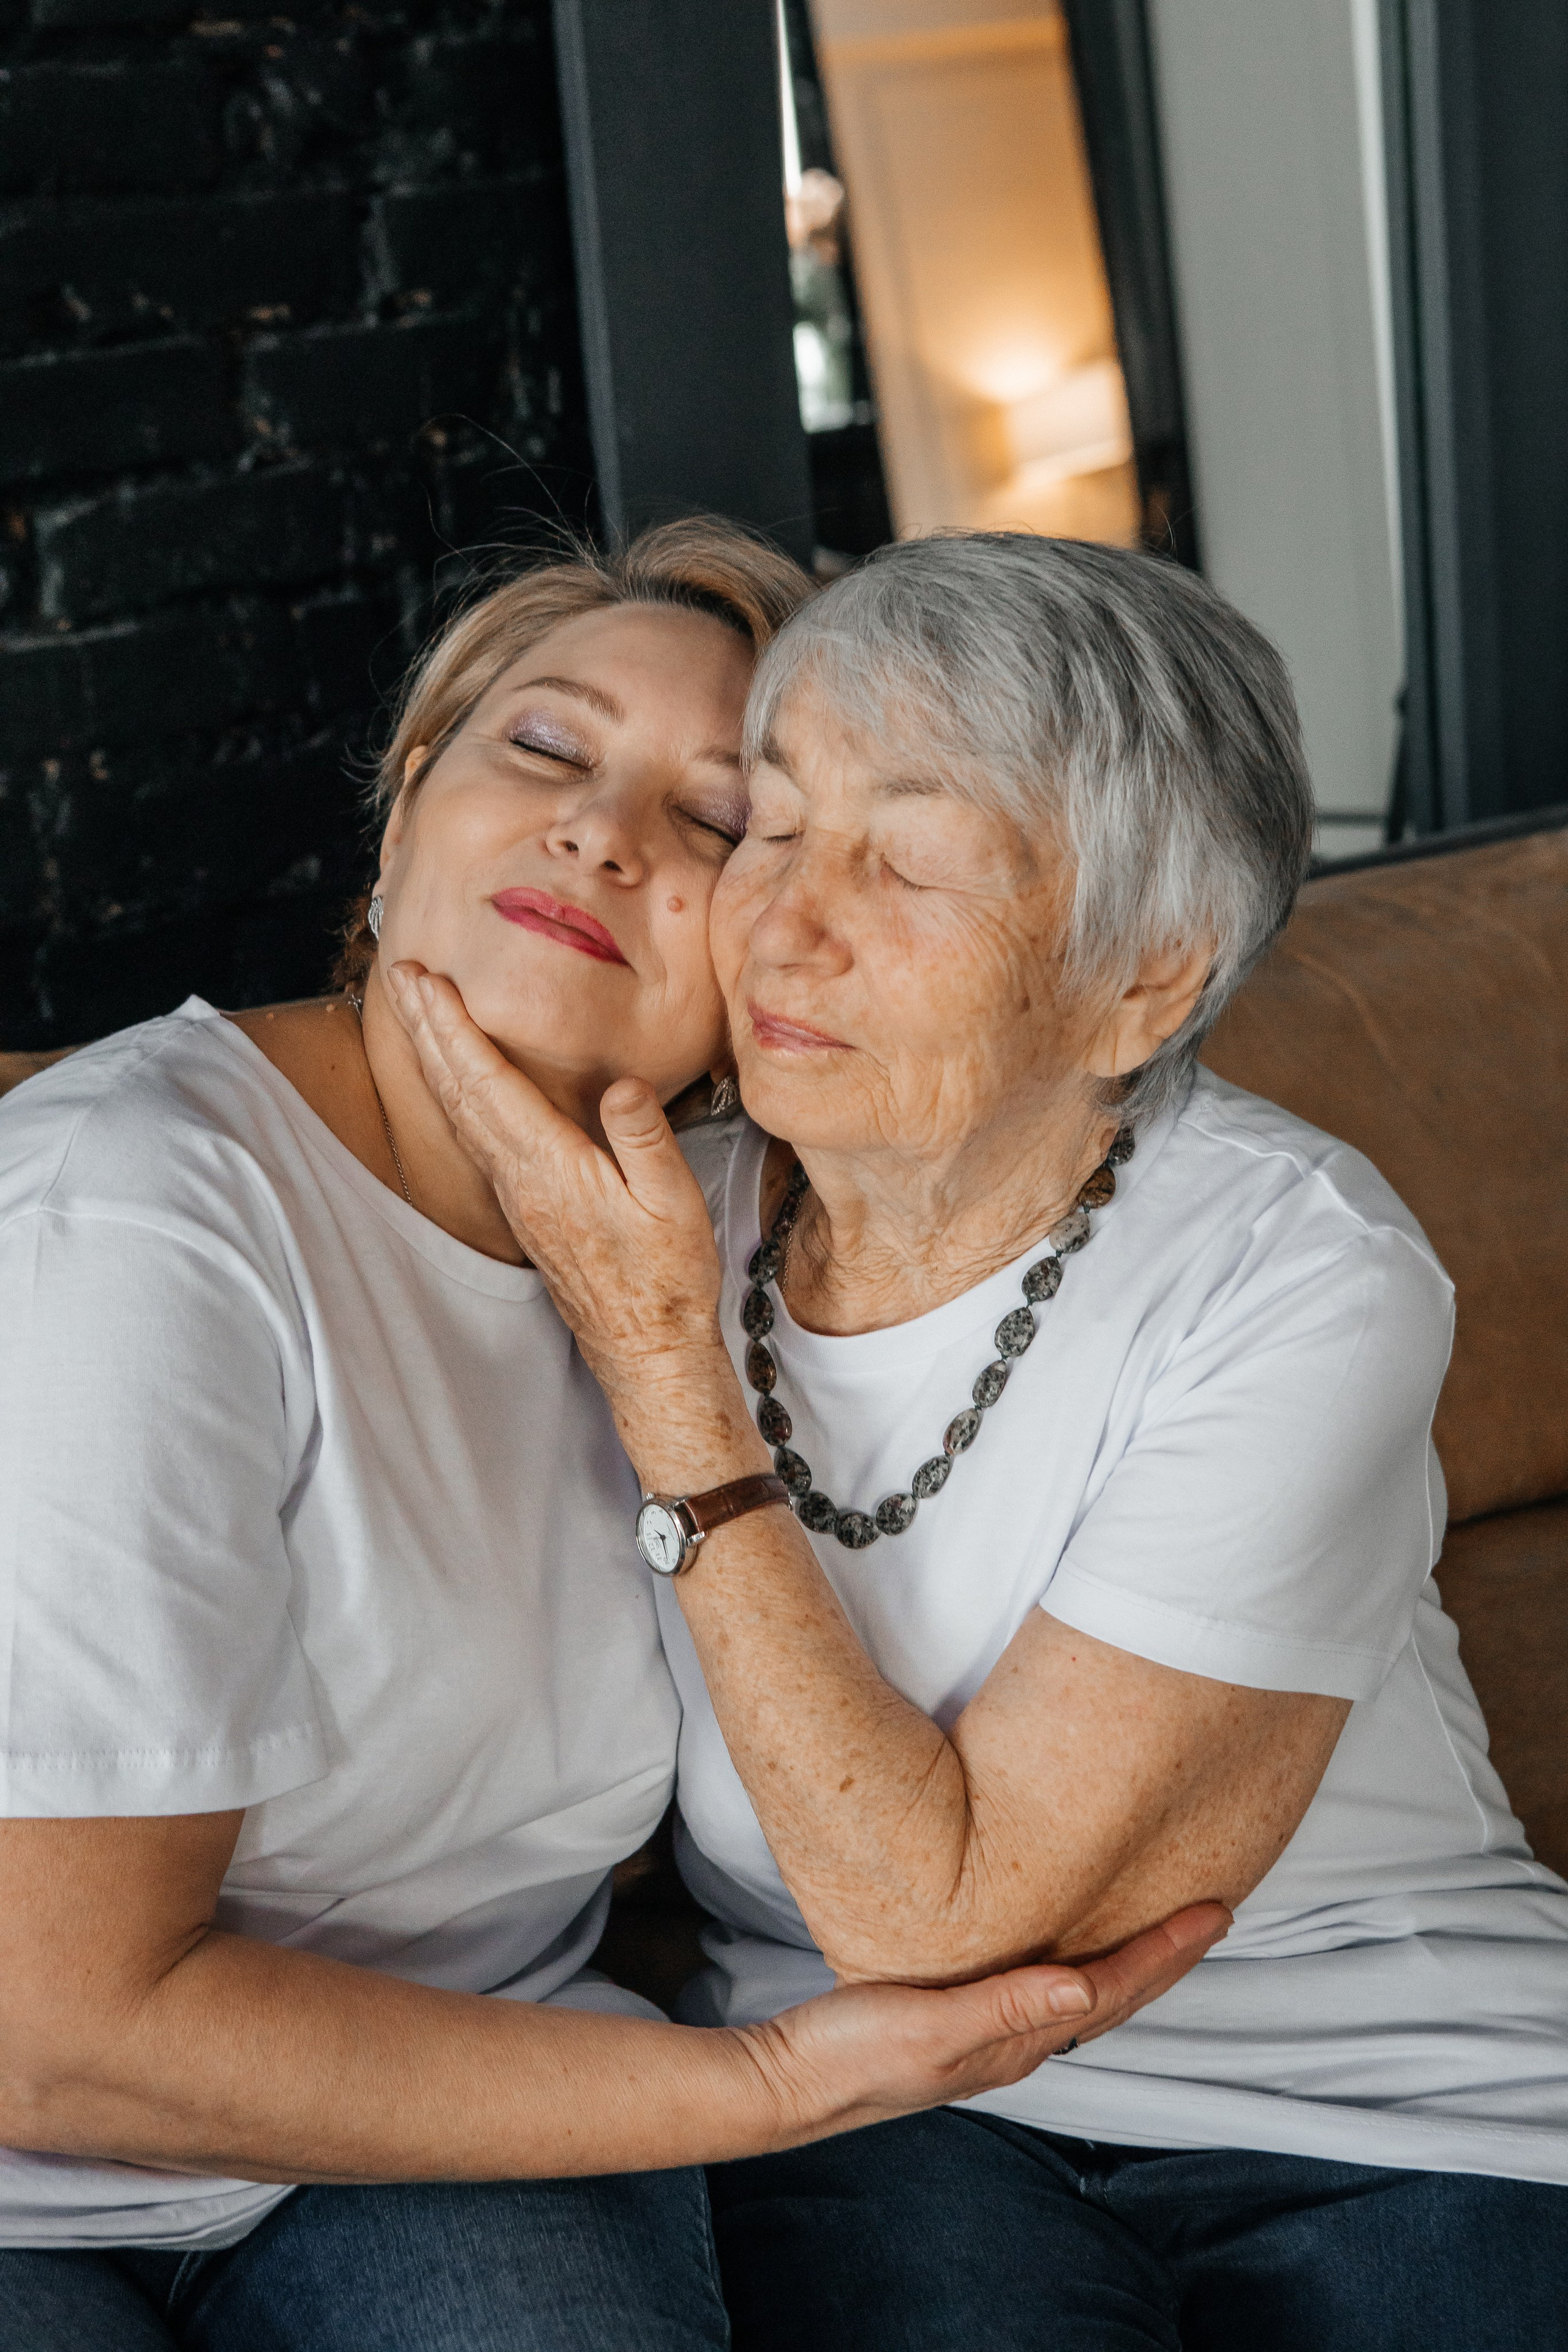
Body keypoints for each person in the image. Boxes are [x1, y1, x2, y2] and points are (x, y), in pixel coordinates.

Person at [0, 521, 1223, 2352]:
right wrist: (783, 2084)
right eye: (543, 749)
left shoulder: (743, 1242)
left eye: (721, 823)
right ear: (409, 802)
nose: (604, 834)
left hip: (466, 2110)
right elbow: (57, 2027)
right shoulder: (136, 1215)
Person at [387, 530, 1568, 2351]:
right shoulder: (637, 1208)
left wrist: (667, 1377)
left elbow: (942, 1917)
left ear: (1143, 983)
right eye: (766, 827)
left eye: (912, 859)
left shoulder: (1301, 1273)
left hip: (1403, 2095)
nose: (786, 920)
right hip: (882, 2120)